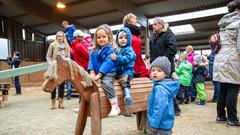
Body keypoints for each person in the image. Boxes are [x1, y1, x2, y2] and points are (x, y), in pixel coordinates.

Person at [213, 0, 240, 126]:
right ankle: (232, 119)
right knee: (233, 89)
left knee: (224, 88)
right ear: (238, 10)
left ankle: (220, 116)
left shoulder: (223, 24)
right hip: (232, 58)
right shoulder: (239, 22)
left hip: (221, 58)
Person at [150, 17, 180, 115]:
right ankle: (161, 106)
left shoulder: (168, 34)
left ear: (161, 25)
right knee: (158, 86)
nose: (152, 26)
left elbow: (172, 48)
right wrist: (152, 62)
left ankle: (175, 109)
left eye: (155, 24)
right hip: (156, 66)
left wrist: (163, 60)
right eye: (152, 24)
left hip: (166, 66)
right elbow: (152, 50)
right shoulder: (154, 36)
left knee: (168, 86)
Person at [88, 25, 120, 117]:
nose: (101, 39)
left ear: (108, 37)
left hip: (108, 72)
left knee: (106, 82)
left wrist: (100, 74)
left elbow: (108, 62)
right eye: (98, 37)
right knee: (86, 83)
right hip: (96, 72)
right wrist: (92, 72)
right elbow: (91, 61)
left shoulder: (110, 49)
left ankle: (115, 105)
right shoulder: (93, 51)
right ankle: (86, 105)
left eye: (104, 37)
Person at [147, 56, 179, 135]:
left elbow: (159, 108)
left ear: (165, 74)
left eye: (159, 70)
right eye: (153, 70)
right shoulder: (164, 85)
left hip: (159, 125)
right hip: (166, 123)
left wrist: (154, 124)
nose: (155, 72)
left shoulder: (160, 89)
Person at [110, 27, 136, 107]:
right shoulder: (116, 49)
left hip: (126, 71)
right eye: (121, 38)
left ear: (129, 39)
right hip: (117, 71)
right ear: (117, 40)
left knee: (124, 81)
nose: (123, 39)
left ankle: (127, 95)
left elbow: (128, 58)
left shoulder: (129, 49)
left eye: (125, 37)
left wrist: (117, 58)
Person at [46, 31, 70, 109]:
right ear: (56, 37)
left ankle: (61, 102)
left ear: (63, 37)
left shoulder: (66, 46)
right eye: (58, 36)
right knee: (53, 85)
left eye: (61, 36)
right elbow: (48, 56)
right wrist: (51, 64)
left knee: (62, 85)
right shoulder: (52, 45)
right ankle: (53, 103)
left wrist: (66, 62)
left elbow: (68, 57)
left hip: (62, 68)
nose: (60, 37)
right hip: (54, 68)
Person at [123, 13, 149, 78]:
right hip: (129, 62)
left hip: (138, 61)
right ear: (128, 21)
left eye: (136, 19)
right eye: (134, 19)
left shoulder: (137, 33)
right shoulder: (124, 31)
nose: (136, 20)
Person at [61, 20, 76, 99]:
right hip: (69, 45)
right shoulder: (66, 31)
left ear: (67, 24)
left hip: (73, 43)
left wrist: (73, 40)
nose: (65, 27)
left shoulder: (72, 28)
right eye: (64, 27)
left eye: (65, 26)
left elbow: (75, 34)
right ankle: (68, 93)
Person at [207, 34, 220, 103]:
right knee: (216, 82)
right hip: (213, 64)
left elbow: (213, 57)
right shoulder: (214, 47)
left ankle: (216, 98)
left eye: (212, 38)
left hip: (214, 65)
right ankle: (217, 97)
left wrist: (209, 57)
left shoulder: (216, 47)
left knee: (216, 82)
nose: (210, 40)